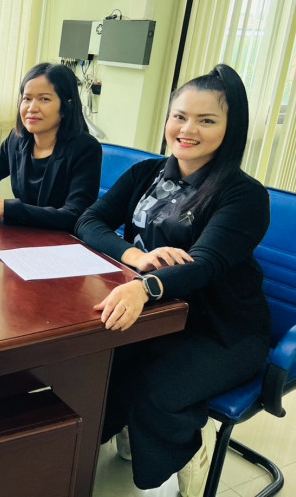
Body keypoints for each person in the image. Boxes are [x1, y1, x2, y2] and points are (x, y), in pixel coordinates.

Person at [75, 64, 271, 496]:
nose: (187, 129)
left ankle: (190, 453)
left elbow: (205, 264)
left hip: (222, 330)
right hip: (158, 315)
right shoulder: (146, 173)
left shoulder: (244, 195)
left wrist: (144, 286)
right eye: (180, 116)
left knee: (156, 391)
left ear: (231, 129)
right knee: (93, 368)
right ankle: (116, 438)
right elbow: (89, 221)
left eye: (206, 120)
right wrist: (136, 258)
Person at [0, 62, 102, 231]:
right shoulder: (17, 139)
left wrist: (7, 208)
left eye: (44, 99)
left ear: (66, 106)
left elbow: (74, 215)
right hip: (23, 235)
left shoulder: (86, 149)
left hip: (62, 240)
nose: (32, 108)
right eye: (27, 99)